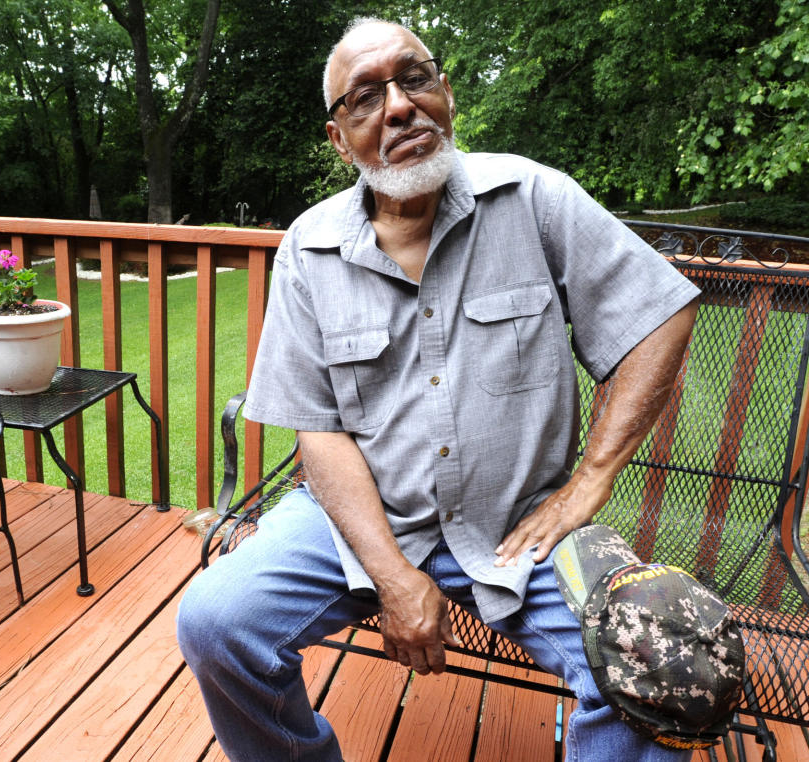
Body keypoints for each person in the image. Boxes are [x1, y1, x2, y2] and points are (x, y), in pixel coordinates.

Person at [177, 17, 700, 762]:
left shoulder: (534, 198)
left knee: (650, 664)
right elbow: (318, 434)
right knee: (214, 621)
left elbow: (661, 313)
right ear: (340, 139)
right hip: (355, 522)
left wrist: (589, 483)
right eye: (363, 98)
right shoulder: (309, 249)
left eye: (414, 77)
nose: (397, 107)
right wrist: (393, 577)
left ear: (445, 92)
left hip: (519, 525)